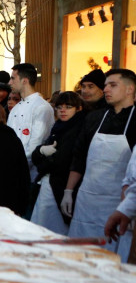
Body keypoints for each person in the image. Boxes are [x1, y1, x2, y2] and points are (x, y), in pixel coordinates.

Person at [62, 69, 136, 262]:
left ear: (130, 89)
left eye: (113, 85)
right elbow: (79, 157)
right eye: (105, 86)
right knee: (79, 257)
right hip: (87, 201)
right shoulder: (94, 118)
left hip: (119, 205)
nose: (106, 90)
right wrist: (69, 191)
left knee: (110, 261)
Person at [30, 91, 85, 234]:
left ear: (78, 108)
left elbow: (62, 160)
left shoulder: (78, 129)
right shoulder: (57, 127)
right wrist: (41, 150)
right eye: (59, 107)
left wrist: (44, 161)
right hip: (48, 185)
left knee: (55, 231)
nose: (63, 110)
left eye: (68, 107)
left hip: (61, 185)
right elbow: (36, 156)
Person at [7, 63, 55, 183]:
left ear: (24, 81)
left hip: (32, 174)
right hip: (12, 170)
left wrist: (16, 165)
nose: (9, 82)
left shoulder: (42, 107)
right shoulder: (16, 109)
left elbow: (36, 143)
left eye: (13, 78)